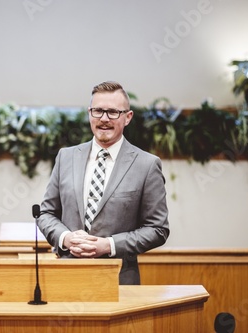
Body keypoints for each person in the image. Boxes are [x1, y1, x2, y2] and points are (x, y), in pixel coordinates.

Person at [37, 81, 170, 285]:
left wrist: (109, 245)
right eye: (98, 111)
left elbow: (157, 229)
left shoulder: (147, 165)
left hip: (119, 282)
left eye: (113, 112)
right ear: (90, 113)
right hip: (66, 278)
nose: (104, 119)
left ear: (128, 117)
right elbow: (46, 213)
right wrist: (66, 238)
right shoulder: (66, 157)